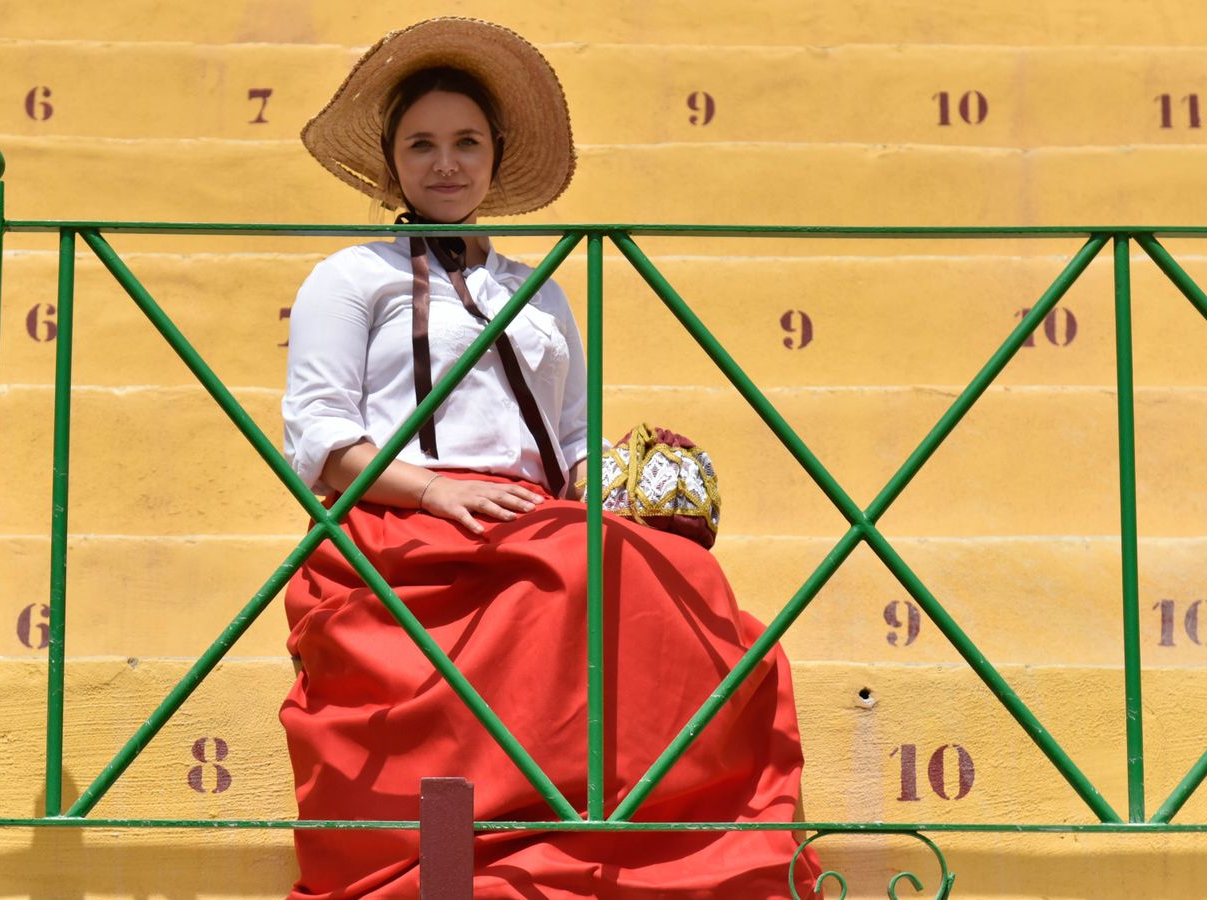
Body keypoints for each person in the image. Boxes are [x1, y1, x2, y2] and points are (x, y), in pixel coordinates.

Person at [280, 17, 824, 899]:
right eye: (422, 145)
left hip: (531, 516)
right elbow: (319, 433)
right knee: (572, 571)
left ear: (495, 157)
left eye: (467, 142)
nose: (446, 164)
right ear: (392, 163)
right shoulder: (350, 276)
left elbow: (571, 438)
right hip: (399, 524)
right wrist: (431, 494)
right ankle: (488, 859)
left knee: (695, 587)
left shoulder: (539, 287)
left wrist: (623, 480)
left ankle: (661, 850)